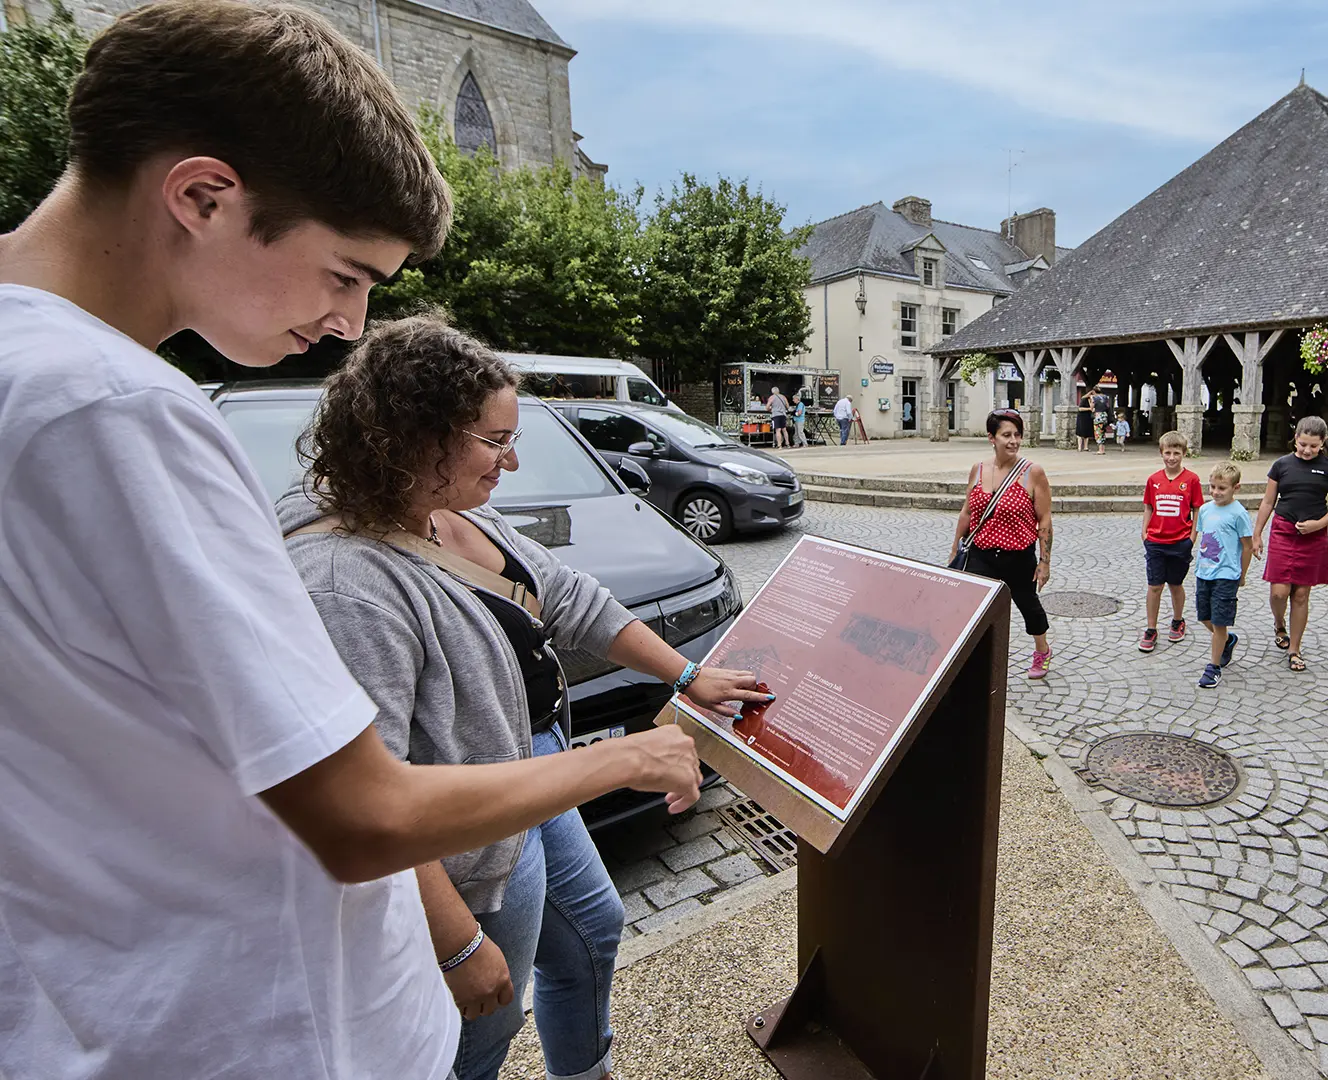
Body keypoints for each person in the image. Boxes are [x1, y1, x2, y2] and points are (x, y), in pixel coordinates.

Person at [0, 5, 764, 1077]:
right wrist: (628, 755)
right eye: (346, 273)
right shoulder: (115, 407)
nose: (350, 323)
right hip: (264, 1033)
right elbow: (362, 812)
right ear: (204, 196)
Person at [282, 318, 766, 1080]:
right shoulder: (345, 585)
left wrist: (686, 676)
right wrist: (457, 946)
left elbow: (569, 597)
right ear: (421, 439)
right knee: (484, 1023)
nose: (511, 460)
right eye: (495, 441)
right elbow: (371, 808)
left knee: (592, 928)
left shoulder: (448, 506)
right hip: (463, 835)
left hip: (528, 768)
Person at [948, 409, 1054, 678]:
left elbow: (1044, 519)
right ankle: (976, 656)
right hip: (981, 554)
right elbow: (967, 512)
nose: (1013, 441)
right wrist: (955, 548)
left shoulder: (1033, 473)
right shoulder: (978, 470)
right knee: (975, 608)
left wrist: (1044, 562)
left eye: (1017, 435)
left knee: (1028, 605)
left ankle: (1042, 650)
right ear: (991, 438)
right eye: (1006, 435)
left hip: (1018, 556)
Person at [1254, 417, 1328, 673]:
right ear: (1295, 438)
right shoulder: (1281, 465)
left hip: (1313, 535)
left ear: (1323, 443)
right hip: (1283, 530)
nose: (1307, 450)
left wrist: (1319, 524)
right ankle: (1279, 623)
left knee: (1301, 594)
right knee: (1279, 592)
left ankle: (1294, 649)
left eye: (1313, 446)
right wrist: (1257, 533)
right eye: (1303, 444)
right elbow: (1268, 502)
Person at [1138, 431, 1204, 652]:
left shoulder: (1192, 480)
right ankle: (1151, 628)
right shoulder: (1154, 480)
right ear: (1161, 453)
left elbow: (1197, 509)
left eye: (1176, 453)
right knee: (1154, 585)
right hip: (1156, 540)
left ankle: (1177, 620)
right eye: (1168, 453)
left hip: (1180, 541)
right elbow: (1148, 506)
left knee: (1176, 584)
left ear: (1184, 453)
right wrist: (1145, 532)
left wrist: (1192, 537)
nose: (1172, 457)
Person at [1193, 463, 1255, 689]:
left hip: (1227, 575)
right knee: (1205, 617)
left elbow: (1247, 546)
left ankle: (1214, 667)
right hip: (1204, 572)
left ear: (1235, 488)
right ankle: (1228, 640)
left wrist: (1242, 574)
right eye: (1212, 487)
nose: (1216, 492)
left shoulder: (1239, 514)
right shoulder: (1205, 510)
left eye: (1222, 488)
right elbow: (1205, 538)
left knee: (1219, 622)